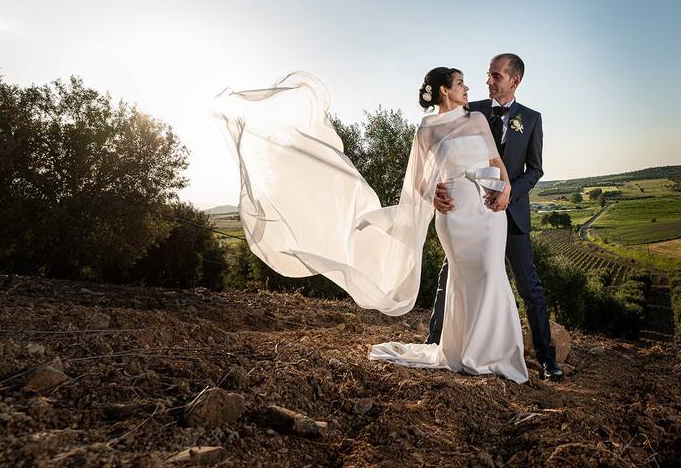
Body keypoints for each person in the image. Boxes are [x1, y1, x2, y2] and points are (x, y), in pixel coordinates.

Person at [215, 68, 528, 383]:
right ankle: (465, 353)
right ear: (444, 90)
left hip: (487, 210)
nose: (467, 87)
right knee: (462, 281)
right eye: (460, 83)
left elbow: (495, 162)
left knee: (490, 271)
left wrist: (506, 192)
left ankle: (494, 354)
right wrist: (432, 194)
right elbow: (417, 182)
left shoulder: (475, 120)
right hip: (454, 217)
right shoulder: (427, 130)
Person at [425, 53, 563, 382]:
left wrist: (507, 193)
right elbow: (439, 151)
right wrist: (432, 191)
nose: (488, 81)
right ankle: (437, 341)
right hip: (467, 216)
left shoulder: (531, 119)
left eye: (496, 76)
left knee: (529, 287)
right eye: (488, 74)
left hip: (508, 215)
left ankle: (546, 358)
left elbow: (536, 169)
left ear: (515, 81)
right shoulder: (471, 112)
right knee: (450, 278)